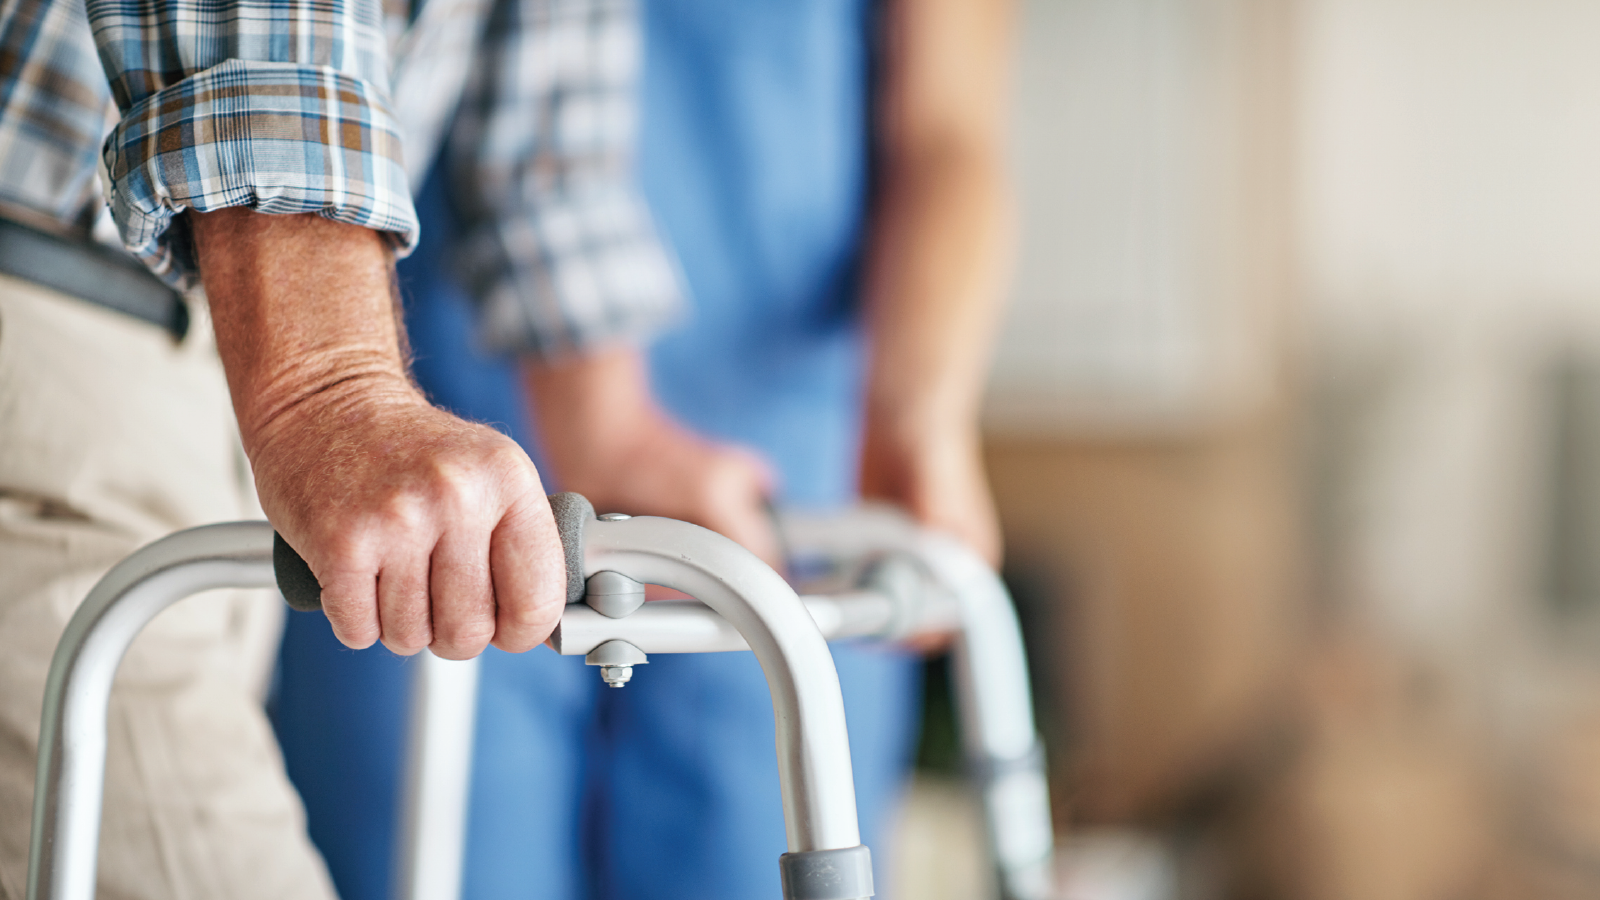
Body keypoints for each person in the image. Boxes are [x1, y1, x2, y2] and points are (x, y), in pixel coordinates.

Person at [273, 0, 1016, 897]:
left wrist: (919, 416)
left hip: (773, 486)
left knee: (753, 857)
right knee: (423, 854)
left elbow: (948, 131)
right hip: (442, 440)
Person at [0, 0, 679, 894]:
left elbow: (546, 91)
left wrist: (608, 425)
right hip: (57, 320)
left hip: (208, 362)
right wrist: (326, 384)